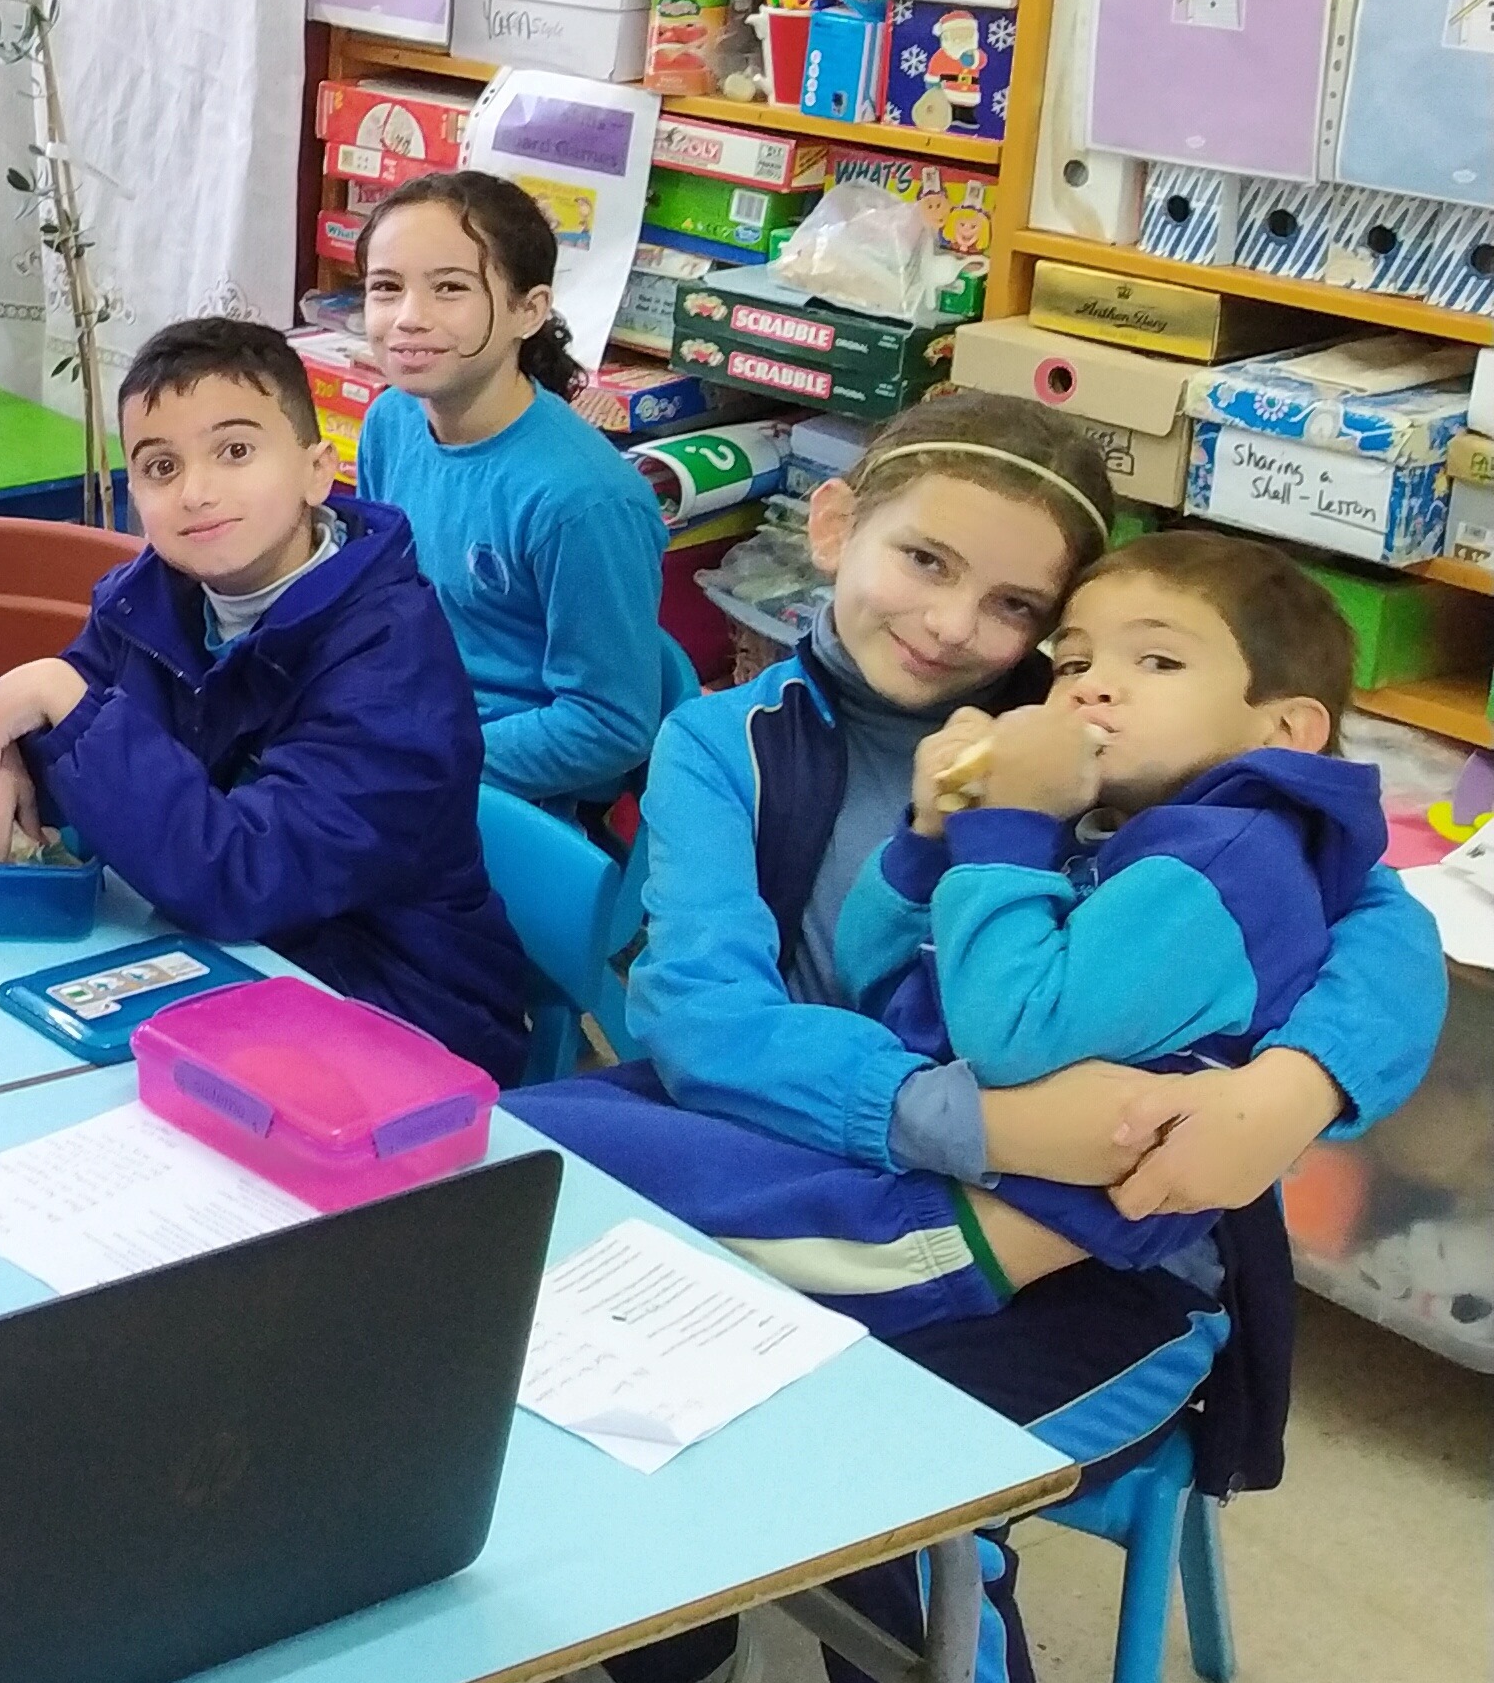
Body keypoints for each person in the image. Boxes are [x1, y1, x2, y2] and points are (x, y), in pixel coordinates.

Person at [507, 394, 1447, 1683]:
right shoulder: (731, 743)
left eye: (1022, 608)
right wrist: (987, 1122)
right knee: (565, 1292)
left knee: (881, 1504)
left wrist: (1302, 1084)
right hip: (848, 1177)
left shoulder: (1124, 772)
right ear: (835, 529)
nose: (958, 627)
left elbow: (1372, 908)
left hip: (1109, 1264)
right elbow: (703, 1021)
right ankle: (661, 1674)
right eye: (925, 562)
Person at [521, 532, 1374, 1340]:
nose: (1092, 686)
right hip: (926, 1159)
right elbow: (877, 981)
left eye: (1157, 660)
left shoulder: (1228, 861)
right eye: (1074, 661)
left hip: (948, 1228)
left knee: (551, 1194)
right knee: (537, 1133)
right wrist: (932, 837)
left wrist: (1013, 821)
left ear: (1285, 731)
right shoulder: (1128, 826)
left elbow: (1008, 1039)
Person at [0, 317, 530, 1085]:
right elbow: (47, 731)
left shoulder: (391, 663)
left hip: (399, 1021)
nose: (197, 491)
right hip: (230, 971)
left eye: (235, 452)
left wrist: (53, 697)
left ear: (316, 472)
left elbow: (244, 876)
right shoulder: (159, 601)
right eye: (161, 466)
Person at [349, 170, 693, 812]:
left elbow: (610, 725)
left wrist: (432, 760)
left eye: (450, 288)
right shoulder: (391, 420)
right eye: (385, 288)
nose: (408, 319)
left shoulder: (583, 500)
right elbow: (380, 601)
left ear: (527, 311)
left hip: (503, 791)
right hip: (403, 728)